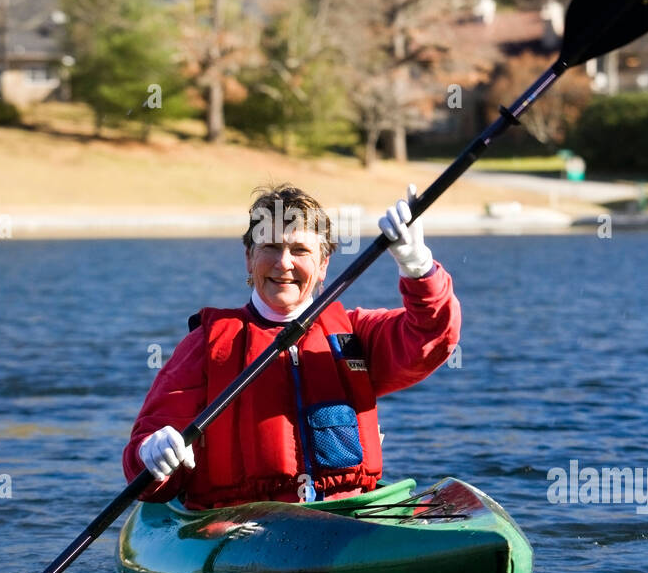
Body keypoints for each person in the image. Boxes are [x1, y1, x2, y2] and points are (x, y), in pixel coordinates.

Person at [123, 182, 461, 509]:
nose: (284, 262)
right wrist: (151, 453)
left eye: (300, 250)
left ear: (324, 264)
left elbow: (432, 336)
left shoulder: (356, 334)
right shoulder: (206, 346)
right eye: (270, 247)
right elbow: (146, 468)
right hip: (240, 523)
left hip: (346, 513)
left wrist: (418, 267)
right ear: (249, 258)